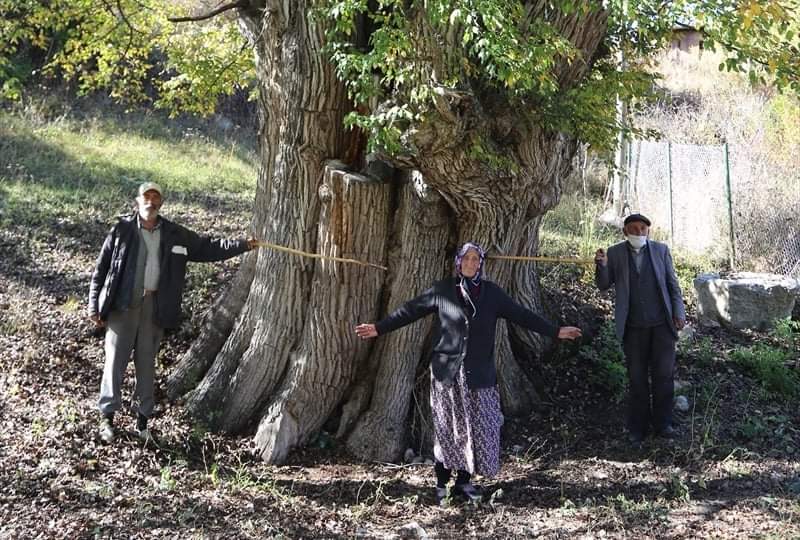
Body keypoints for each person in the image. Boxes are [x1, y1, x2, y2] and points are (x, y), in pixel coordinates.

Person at [355, 242, 581, 504]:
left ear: (481, 264)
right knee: (448, 430)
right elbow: (411, 310)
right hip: (447, 374)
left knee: (475, 429)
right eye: (467, 259)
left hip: (480, 375)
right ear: (458, 262)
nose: (471, 263)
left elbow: (522, 315)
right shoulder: (442, 291)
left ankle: (464, 482)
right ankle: (441, 484)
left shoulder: (492, 294)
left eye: (476, 259)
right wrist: (379, 328)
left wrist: (555, 331)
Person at [88, 182, 256, 443]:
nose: (151, 201)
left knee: (146, 365)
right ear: (137, 201)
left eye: (156, 197)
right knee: (114, 363)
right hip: (122, 306)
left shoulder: (174, 234)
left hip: (155, 309)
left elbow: (206, 247)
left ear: (161, 204)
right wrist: (94, 306)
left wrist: (243, 245)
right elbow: (101, 269)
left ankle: (142, 423)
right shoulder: (121, 230)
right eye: (147, 196)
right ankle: (107, 420)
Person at [594, 213, 686, 446]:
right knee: (636, 379)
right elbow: (604, 285)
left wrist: (679, 313)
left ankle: (663, 424)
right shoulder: (614, 253)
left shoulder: (660, 251)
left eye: (642, 228)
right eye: (633, 229)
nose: (638, 232)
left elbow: (673, 286)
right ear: (625, 232)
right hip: (633, 327)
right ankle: (637, 427)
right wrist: (602, 266)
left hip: (662, 326)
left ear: (648, 231)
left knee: (663, 376)